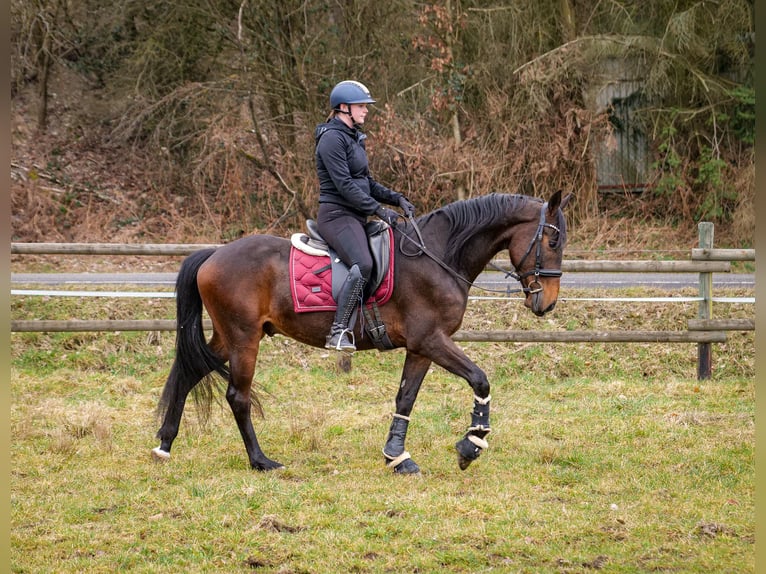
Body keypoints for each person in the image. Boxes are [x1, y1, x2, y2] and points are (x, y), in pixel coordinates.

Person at [314, 80, 415, 353]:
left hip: (355, 216)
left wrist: (396, 198)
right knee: (364, 263)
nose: (366, 111)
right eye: (361, 106)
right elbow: (345, 187)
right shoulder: (332, 139)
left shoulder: (352, 138)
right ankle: (338, 331)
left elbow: (365, 183)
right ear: (344, 108)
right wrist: (380, 211)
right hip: (337, 215)